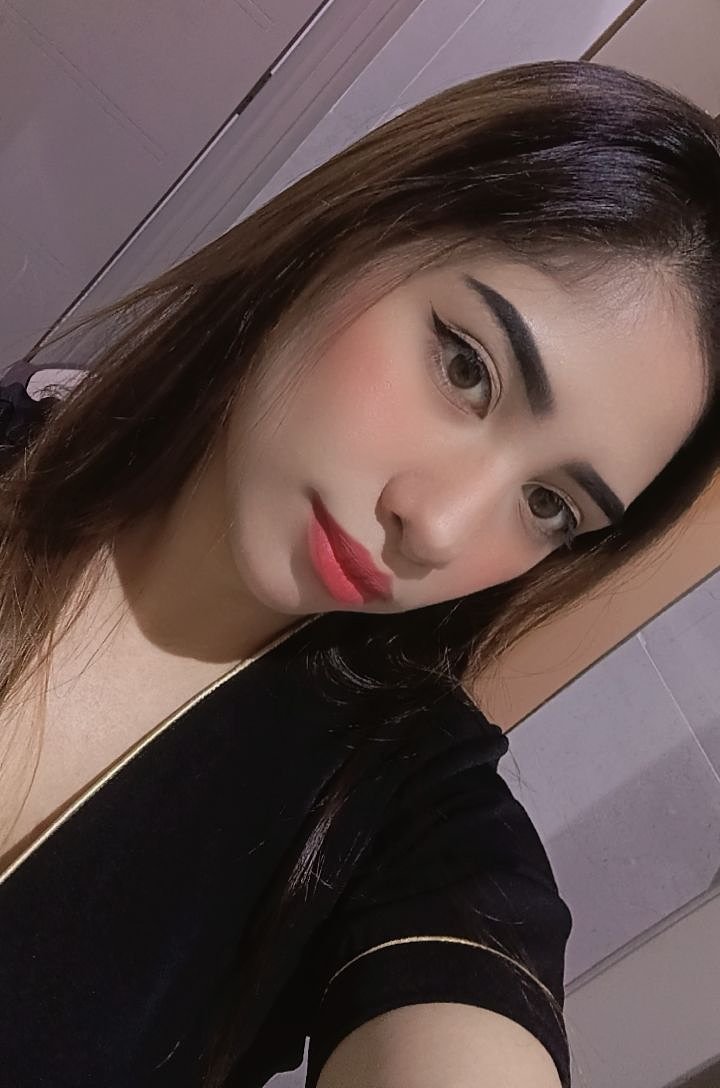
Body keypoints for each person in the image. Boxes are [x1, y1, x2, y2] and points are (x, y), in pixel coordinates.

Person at [0, 59, 718, 1088]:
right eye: (467, 367)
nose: (438, 527)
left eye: (550, 504)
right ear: (361, 226)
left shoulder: (394, 809)